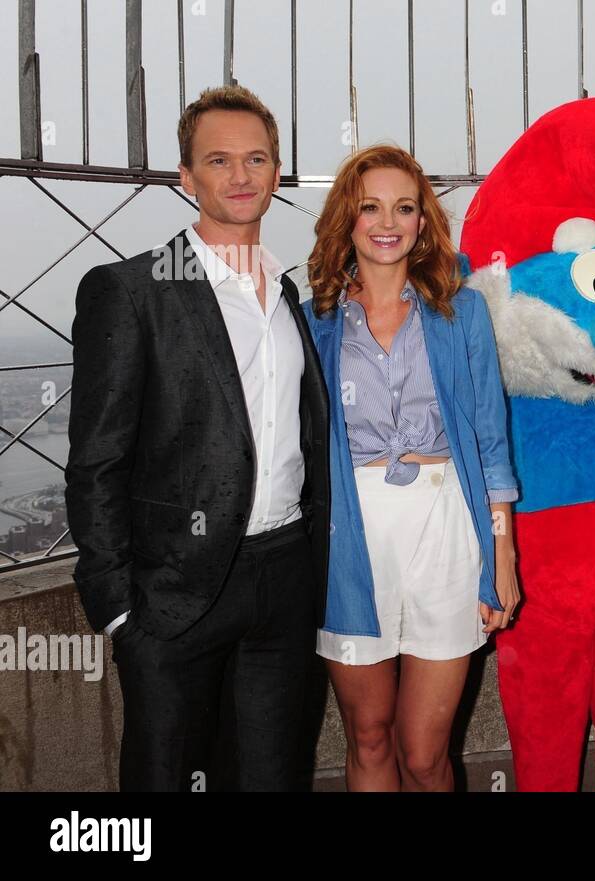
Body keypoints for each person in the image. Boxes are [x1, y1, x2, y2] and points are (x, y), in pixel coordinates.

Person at [65, 84, 330, 792]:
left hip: (284, 578)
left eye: (256, 159)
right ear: (187, 178)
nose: (240, 176)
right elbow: (95, 459)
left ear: (276, 172)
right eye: (219, 160)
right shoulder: (130, 290)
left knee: (275, 775)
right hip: (171, 591)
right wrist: (119, 609)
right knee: (164, 778)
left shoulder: (287, 295)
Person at [302, 145, 520, 792]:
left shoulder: (462, 312)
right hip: (348, 536)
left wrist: (501, 554)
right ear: (348, 218)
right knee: (368, 736)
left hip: (445, 525)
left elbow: (489, 439)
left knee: (425, 753)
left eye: (404, 206)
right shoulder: (315, 320)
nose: (387, 221)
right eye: (370, 206)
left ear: (423, 222)